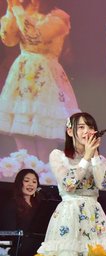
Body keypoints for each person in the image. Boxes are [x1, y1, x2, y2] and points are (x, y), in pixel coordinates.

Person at [37, 112, 106, 256]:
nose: (86, 131)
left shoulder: (100, 160)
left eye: (90, 127)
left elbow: (104, 184)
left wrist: (94, 155)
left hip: (93, 216)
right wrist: (86, 158)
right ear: (70, 131)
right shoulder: (58, 156)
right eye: (81, 127)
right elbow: (69, 184)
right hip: (69, 214)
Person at [0, 0, 78, 162]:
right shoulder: (22, 12)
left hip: (47, 80)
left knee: (45, 142)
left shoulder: (59, 17)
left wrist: (18, 10)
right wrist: (10, 10)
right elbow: (8, 39)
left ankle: (45, 175)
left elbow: (35, 36)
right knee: (23, 146)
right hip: (22, 78)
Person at [0, 169, 43, 256]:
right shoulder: (11, 205)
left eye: (34, 181)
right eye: (26, 181)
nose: (31, 184)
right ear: (20, 183)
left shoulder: (40, 205)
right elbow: (7, 235)